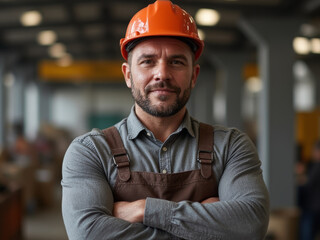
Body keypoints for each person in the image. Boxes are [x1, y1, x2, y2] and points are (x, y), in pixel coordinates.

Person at [61, 1, 269, 239]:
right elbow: (88, 233)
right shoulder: (91, 151)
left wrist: (144, 209)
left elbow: (250, 226)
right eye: (148, 61)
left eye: (176, 62)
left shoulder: (231, 146)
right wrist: (207, 219)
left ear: (194, 75)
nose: (162, 74)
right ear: (128, 75)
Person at [298, 140, 320, 240]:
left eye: (314, 150)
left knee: (307, 236)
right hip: (315, 207)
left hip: (312, 208)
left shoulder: (317, 166)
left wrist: (300, 176)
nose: (312, 153)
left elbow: (308, 183)